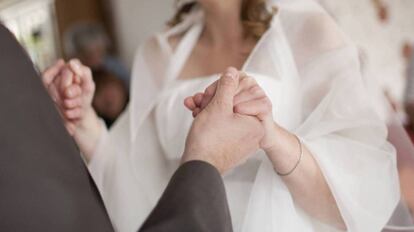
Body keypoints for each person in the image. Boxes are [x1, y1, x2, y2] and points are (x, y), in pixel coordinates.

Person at [44, 0, 400, 231]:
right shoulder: (158, 52)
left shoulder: (310, 30)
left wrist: (271, 137)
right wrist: (83, 122)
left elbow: (357, 193)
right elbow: (137, 178)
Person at [0, 23, 266, 231]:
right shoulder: (155, 50)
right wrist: (205, 160)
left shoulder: (300, 26)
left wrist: (83, 120)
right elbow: (133, 164)